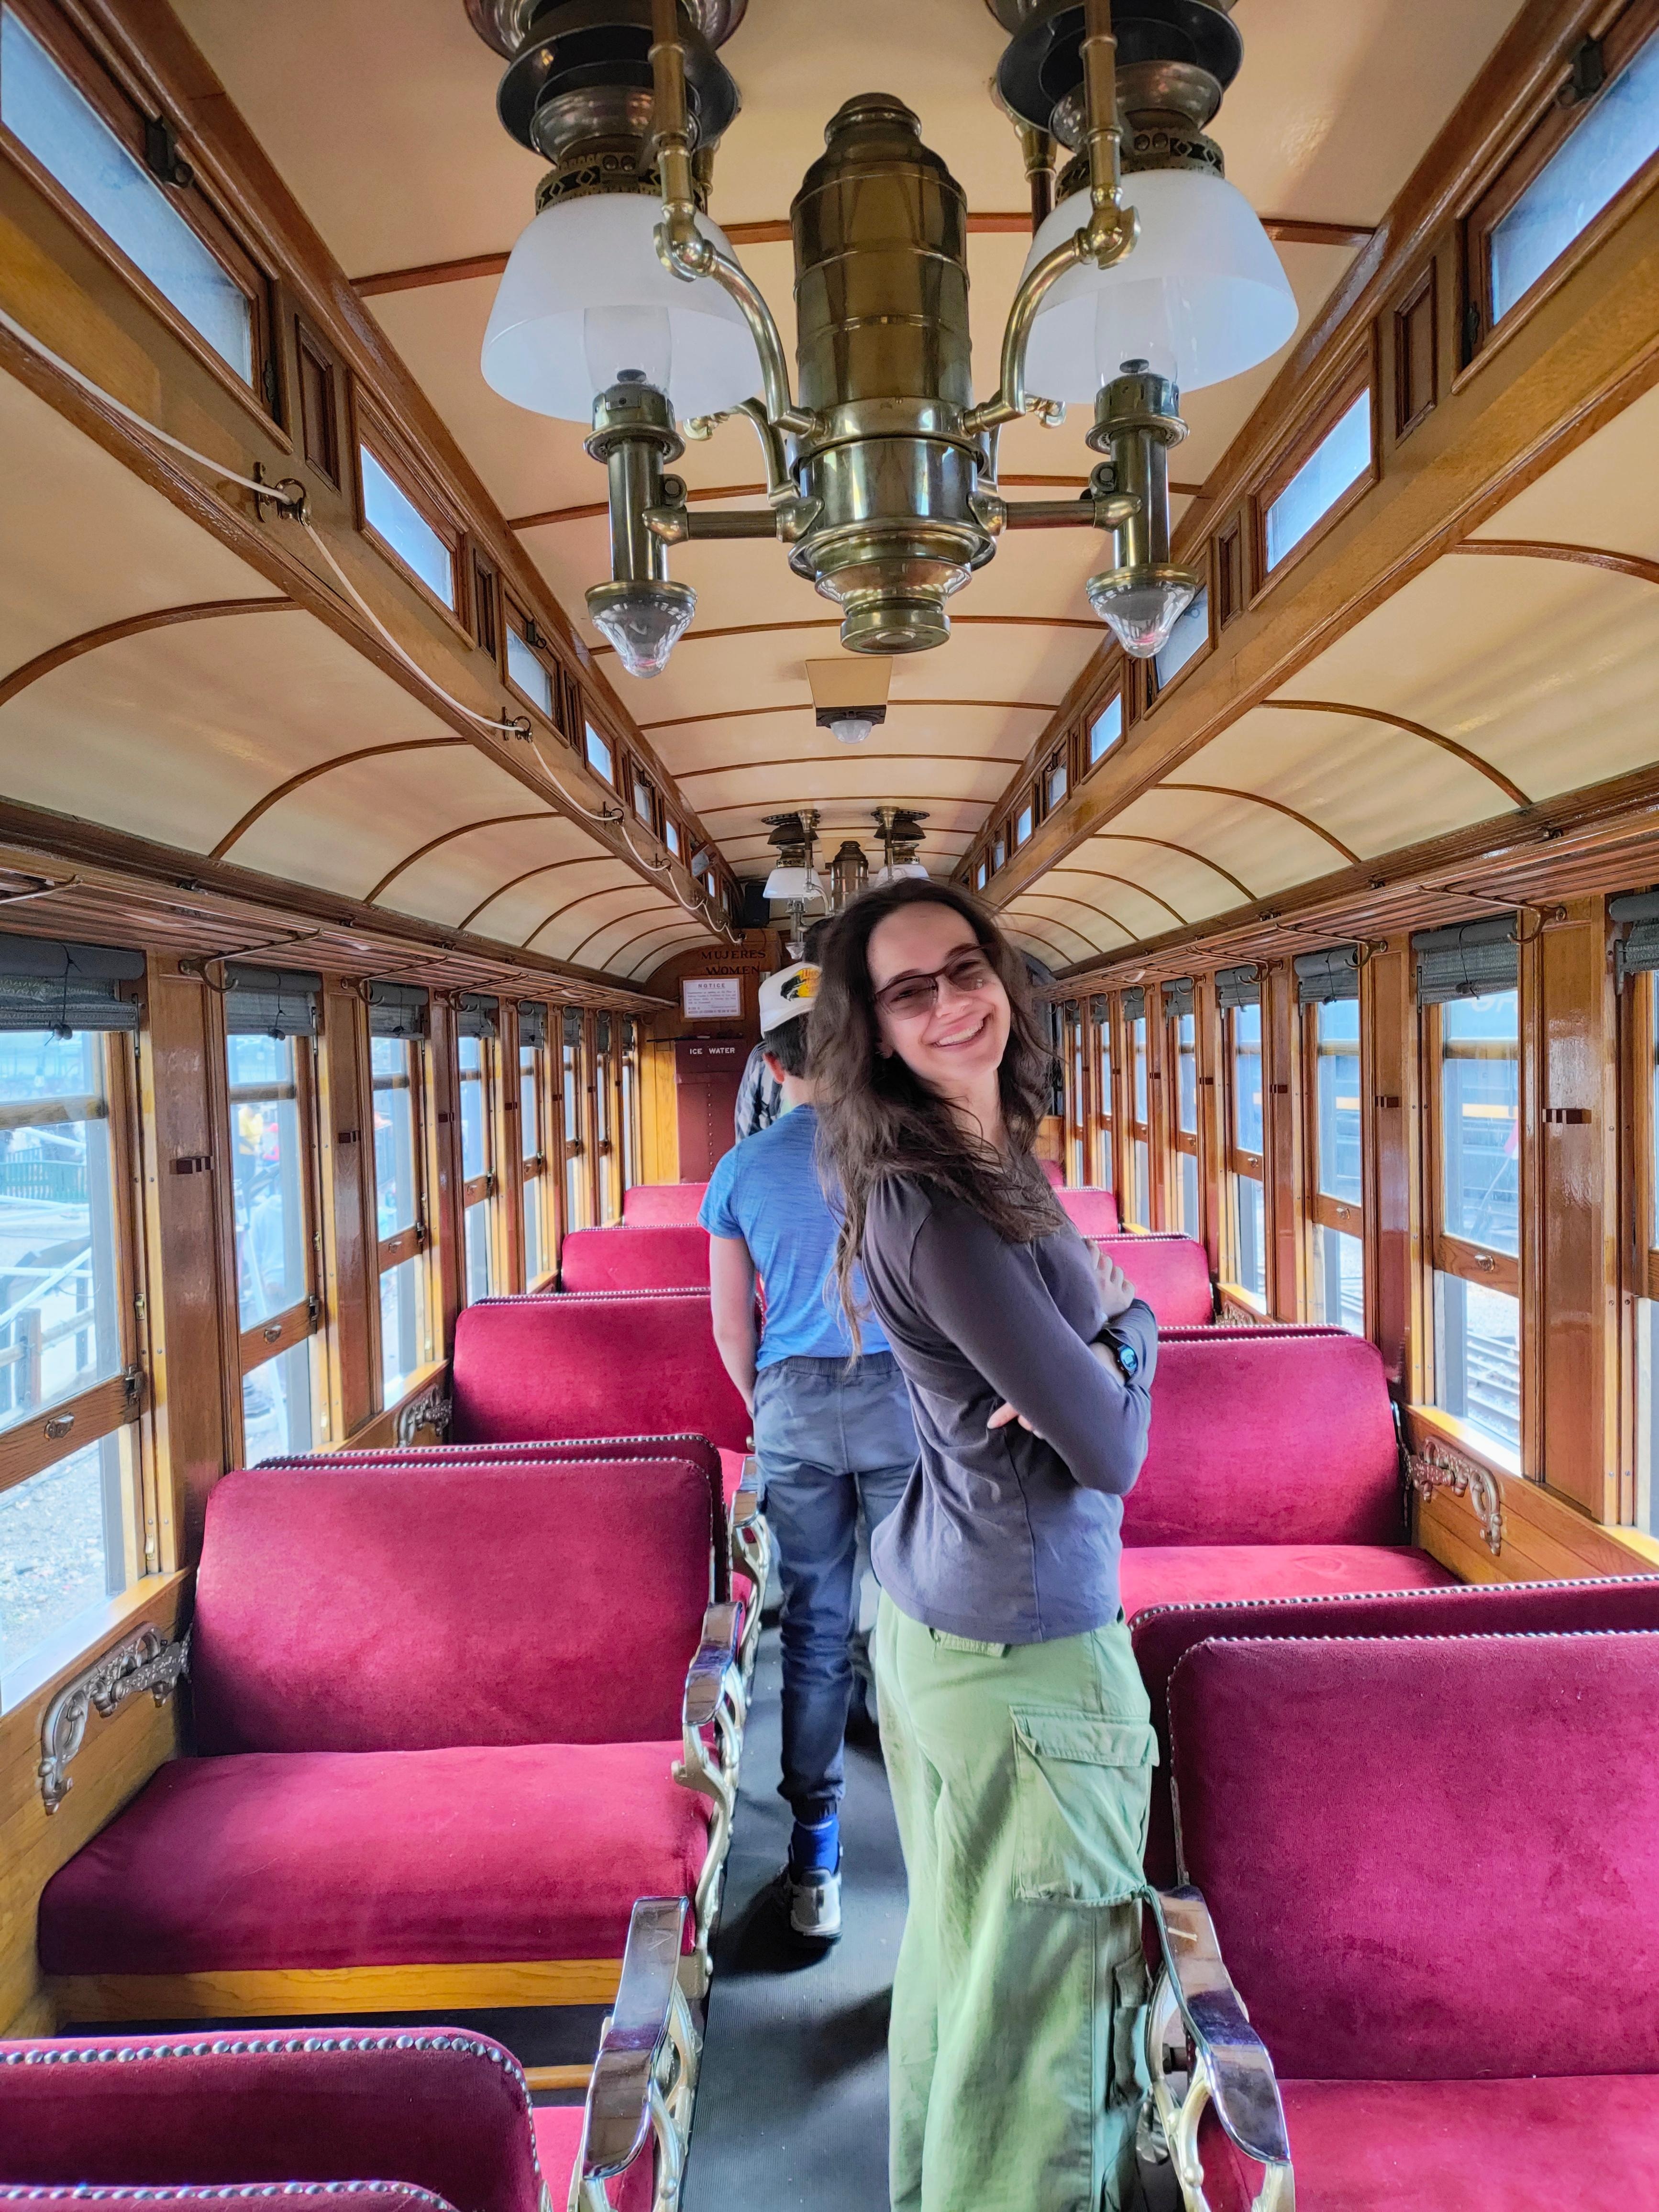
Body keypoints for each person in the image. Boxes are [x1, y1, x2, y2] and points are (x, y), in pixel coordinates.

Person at [812, 879, 1159, 2212]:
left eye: (966, 970)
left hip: (953, 1605)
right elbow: (1111, 1452)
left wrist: (1096, 1356)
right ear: (875, 1031)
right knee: (1041, 2011)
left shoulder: (984, 1154)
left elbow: (1085, 1395)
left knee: (966, 1964)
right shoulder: (945, 1209)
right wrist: (1125, 1340)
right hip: (1021, 1641)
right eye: (911, 992)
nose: (953, 1003)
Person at [699, 958, 919, 1945]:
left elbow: (730, 1326)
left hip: (793, 1405)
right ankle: (936, 1843)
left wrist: (766, 1406)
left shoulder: (741, 1170)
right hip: (899, 1401)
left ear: (773, 1063)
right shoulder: (902, 1149)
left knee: (817, 1627)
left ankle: (816, 1854)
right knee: (921, 1610)